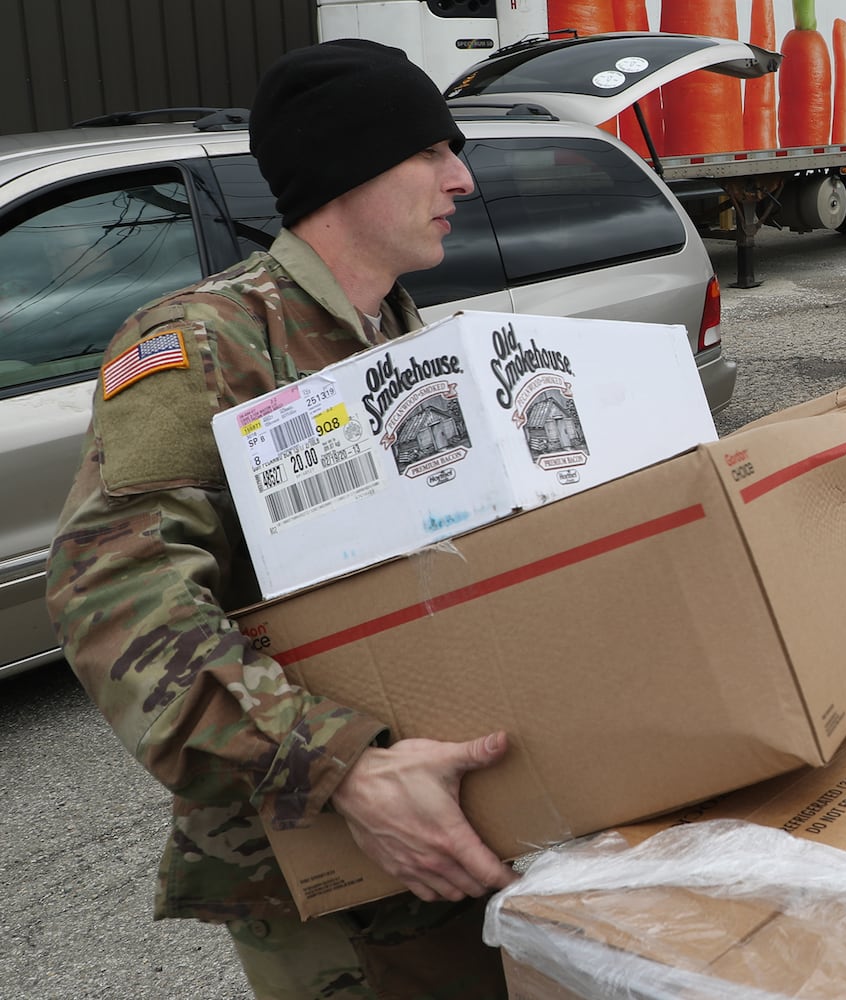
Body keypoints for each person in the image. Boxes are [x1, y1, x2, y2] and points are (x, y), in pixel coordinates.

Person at [46, 39, 517, 998]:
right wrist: (339, 766)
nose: (461, 178)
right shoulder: (203, 343)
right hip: (319, 856)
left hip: (448, 807)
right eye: (430, 152)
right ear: (348, 166)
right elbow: (115, 592)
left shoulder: (398, 332)